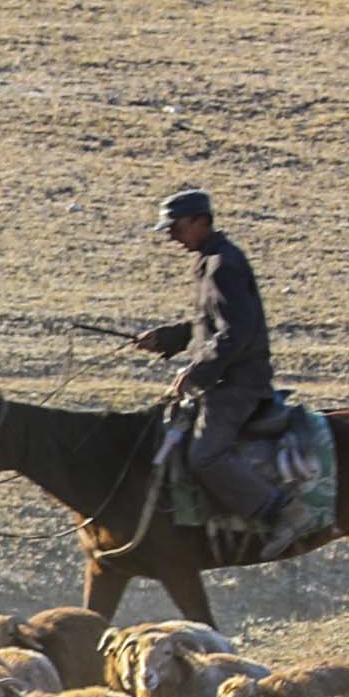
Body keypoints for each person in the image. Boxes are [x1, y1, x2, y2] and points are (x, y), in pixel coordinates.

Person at [133, 189, 280, 521]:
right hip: (222, 380)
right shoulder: (209, 260)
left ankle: (275, 509)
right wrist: (167, 338)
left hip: (237, 385)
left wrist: (195, 373)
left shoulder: (222, 265)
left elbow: (236, 332)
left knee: (205, 457)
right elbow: (211, 322)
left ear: (201, 221)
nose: (172, 237)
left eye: (176, 227)